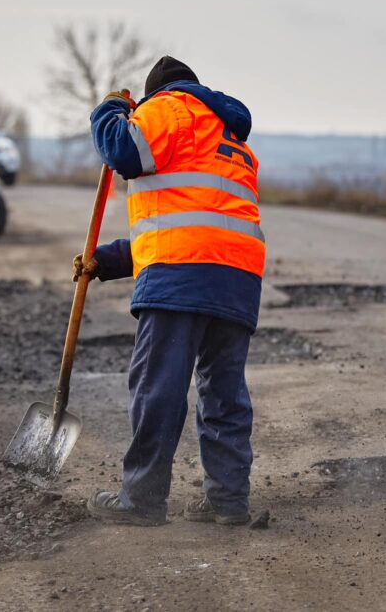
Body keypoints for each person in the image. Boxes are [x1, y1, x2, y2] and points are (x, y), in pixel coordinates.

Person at [77, 56, 266, 527]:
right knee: (224, 393)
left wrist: (108, 110)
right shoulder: (227, 135)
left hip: (181, 275)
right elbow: (191, 221)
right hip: (237, 277)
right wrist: (109, 259)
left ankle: (141, 499)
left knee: (158, 387)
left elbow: (123, 152)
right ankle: (228, 501)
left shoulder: (168, 108)